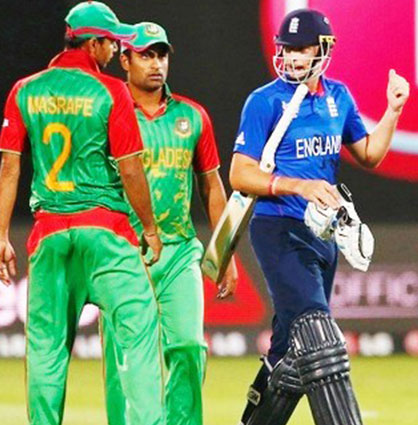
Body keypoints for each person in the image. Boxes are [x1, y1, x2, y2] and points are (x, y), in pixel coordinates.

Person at [228, 8, 409, 425]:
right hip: (279, 228)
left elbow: (370, 154)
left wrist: (393, 110)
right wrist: (299, 185)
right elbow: (240, 173)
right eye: (287, 49)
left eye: (302, 49)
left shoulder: (338, 98)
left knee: (291, 350)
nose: (292, 57)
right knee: (321, 339)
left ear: (324, 50)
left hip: (322, 236)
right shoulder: (264, 101)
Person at [0, 2, 165, 424]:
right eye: (111, 43)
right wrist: (149, 227)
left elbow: (9, 168)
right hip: (107, 235)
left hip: (50, 236)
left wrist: (1, 236)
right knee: (139, 332)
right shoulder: (111, 91)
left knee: (45, 349)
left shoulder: (24, 90)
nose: (115, 51)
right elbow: (130, 168)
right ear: (93, 44)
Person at [99, 22, 239, 425]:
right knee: (124, 361)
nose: (156, 64)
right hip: (124, 253)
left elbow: (212, 186)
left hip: (178, 251)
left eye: (161, 55)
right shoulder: (107, 114)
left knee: (189, 348)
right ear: (125, 60)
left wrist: (225, 253)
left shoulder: (192, 116)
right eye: (146, 55)